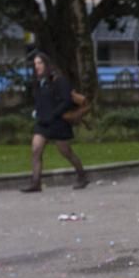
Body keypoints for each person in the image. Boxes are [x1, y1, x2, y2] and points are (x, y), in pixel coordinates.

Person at [20, 52, 88, 192]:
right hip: (42, 122)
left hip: (57, 122)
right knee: (36, 150)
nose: (37, 66)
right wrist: (37, 112)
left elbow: (66, 101)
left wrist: (53, 114)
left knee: (65, 151)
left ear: (46, 64)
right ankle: (36, 182)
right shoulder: (39, 82)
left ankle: (82, 176)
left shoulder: (59, 80)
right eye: (35, 64)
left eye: (40, 63)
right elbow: (40, 100)